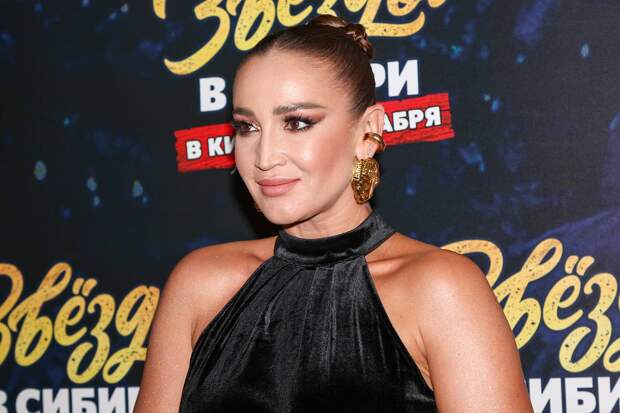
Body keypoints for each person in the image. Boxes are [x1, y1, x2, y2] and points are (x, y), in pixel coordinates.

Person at [134, 14, 534, 413]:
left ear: (367, 132)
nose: (264, 157)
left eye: (297, 123)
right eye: (247, 127)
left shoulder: (441, 291)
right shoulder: (199, 284)